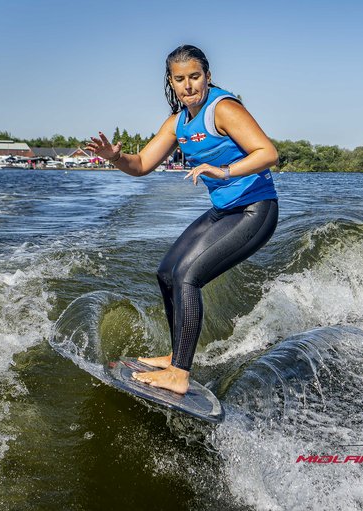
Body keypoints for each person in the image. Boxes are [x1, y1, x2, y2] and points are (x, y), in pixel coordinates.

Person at [86, 45, 279, 395]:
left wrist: (223, 170)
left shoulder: (224, 109)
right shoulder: (177, 122)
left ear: (207, 76)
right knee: (166, 272)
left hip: (256, 209)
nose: (188, 85)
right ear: (171, 83)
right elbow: (142, 164)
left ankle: (180, 373)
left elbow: (268, 153)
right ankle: (177, 354)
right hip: (225, 211)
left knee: (188, 276)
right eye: (180, 79)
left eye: (195, 76)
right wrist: (115, 158)